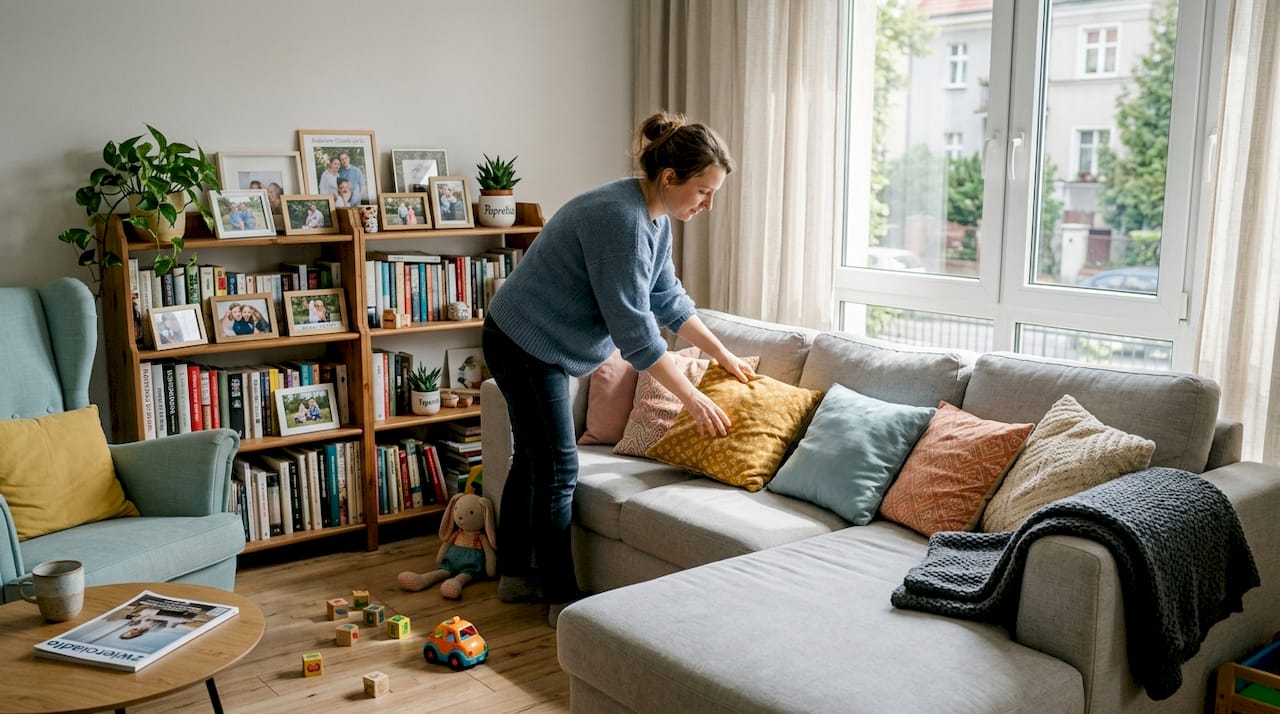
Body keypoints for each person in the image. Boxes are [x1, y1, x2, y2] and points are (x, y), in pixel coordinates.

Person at [482, 111, 751, 625]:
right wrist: (691, 398)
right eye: (702, 191)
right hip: (523, 340)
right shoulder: (621, 221)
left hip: (539, 338)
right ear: (670, 178)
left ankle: (515, 577)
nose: (708, 204)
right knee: (558, 468)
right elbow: (637, 335)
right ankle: (561, 598)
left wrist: (723, 354)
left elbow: (667, 298)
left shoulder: (654, 217)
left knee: (535, 460)